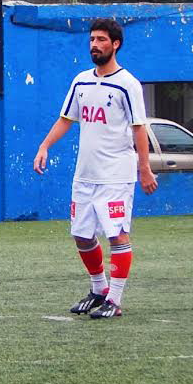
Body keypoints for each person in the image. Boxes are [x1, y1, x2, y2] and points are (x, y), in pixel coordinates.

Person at [33, 18, 158, 318]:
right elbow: (66, 119)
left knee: (117, 235)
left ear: (115, 44)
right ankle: (99, 289)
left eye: (101, 40)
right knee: (82, 235)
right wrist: (44, 146)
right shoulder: (81, 81)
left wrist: (144, 168)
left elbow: (139, 128)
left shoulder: (128, 84)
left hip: (116, 174)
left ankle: (114, 299)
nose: (94, 45)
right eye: (92, 39)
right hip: (85, 175)